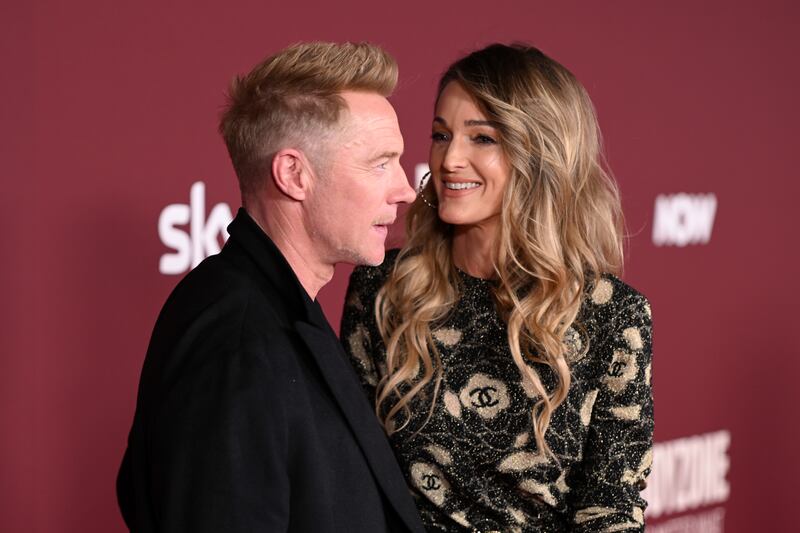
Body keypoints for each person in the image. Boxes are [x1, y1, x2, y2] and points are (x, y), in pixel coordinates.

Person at [341, 43, 654, 532]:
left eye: (482, 138)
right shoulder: (384, 289)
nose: (449, 159)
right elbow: (349, 476)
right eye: (441, 135)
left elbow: (611, 509)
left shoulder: (613, 316)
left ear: (540, 153)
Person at [117, 41, 425, 533]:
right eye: (380, 163)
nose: (405, 190)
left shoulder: (277, 312)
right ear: (293, 175)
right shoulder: (235, 338)